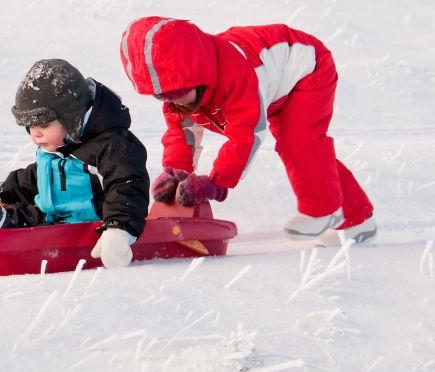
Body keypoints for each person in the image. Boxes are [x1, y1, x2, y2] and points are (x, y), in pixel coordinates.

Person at [119, 17, 376, 243]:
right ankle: (358, 221)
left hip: (305, 69)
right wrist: (177, 171)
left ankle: (323, 210)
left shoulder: (235, 77)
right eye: (164, 97)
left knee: (299, 143)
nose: (175, 102)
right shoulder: (182, 91)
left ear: (198, 75)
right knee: (307, 151)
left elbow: (246, 135)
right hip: (268, 87)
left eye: (179, 93)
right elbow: (181, 133)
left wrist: (216, 183)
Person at [0, 59, 150, 268]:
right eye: (30, 128)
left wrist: (119, 229)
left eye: (44, 126)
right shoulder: (60, 145)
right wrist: (2, 193)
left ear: (72, 118)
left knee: (17, 222)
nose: (35, 135)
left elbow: (127, 184)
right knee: (15, 213)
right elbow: (37, 178)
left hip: (85, 225)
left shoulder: (113, 146)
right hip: (51, 216)